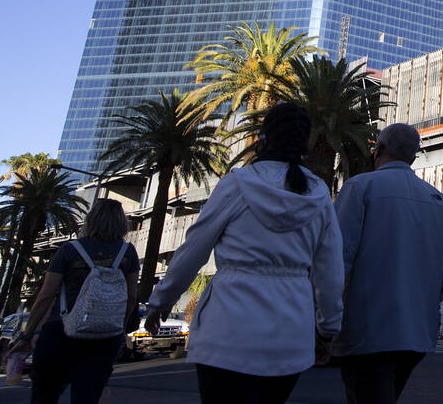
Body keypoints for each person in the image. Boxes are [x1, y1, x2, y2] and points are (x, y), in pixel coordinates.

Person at [144, 102, 344, 404]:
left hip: (227, 331)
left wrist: (160, 302)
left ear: (264, 138)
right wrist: (328, 328)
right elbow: (330, 271)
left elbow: (193, 251)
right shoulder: (317, 194)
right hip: (289, 335)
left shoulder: (238, 184)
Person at [333, 123, 443, 403]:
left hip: (366, 331)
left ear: (379, 150)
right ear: (412, 156)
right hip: (416, 336)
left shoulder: (359, 188)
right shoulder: (437, 201)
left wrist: (322, 321)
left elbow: (337, 260)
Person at [12, 199, 140, 404]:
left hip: (61, 330)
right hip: (104, 336)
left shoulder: (70, 250)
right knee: (88, 395)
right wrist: (120, 329)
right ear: (121, 223)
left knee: (45, 394)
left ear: (90, 220)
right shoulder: (128, 253)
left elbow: (46, 295)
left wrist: (27, 335)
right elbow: (131, 295)